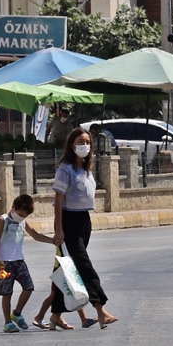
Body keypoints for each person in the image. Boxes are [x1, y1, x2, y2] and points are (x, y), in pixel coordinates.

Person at [44, 127, 118, 330]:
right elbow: (58, 202)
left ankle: (56, 315)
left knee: (71, 268)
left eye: (87, 142)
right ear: (71, 145)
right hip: (69, 221)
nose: (84, 145)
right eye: (80, 142)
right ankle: (101, 310)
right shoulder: (65, 169)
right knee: (85, 267)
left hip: (84, 220)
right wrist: (59, 230)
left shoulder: (86, 169)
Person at [0, 194, 55, 333]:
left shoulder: (23, 222)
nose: (21, 218)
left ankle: (17, 313)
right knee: (7, 293)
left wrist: (52, 241)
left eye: (24, 216)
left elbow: (35, 235)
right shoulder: (3, 220)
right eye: (20, 214)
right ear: (13, 207)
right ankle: (8, 322)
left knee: (28, 287)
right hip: (5, 263)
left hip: (19, 261)